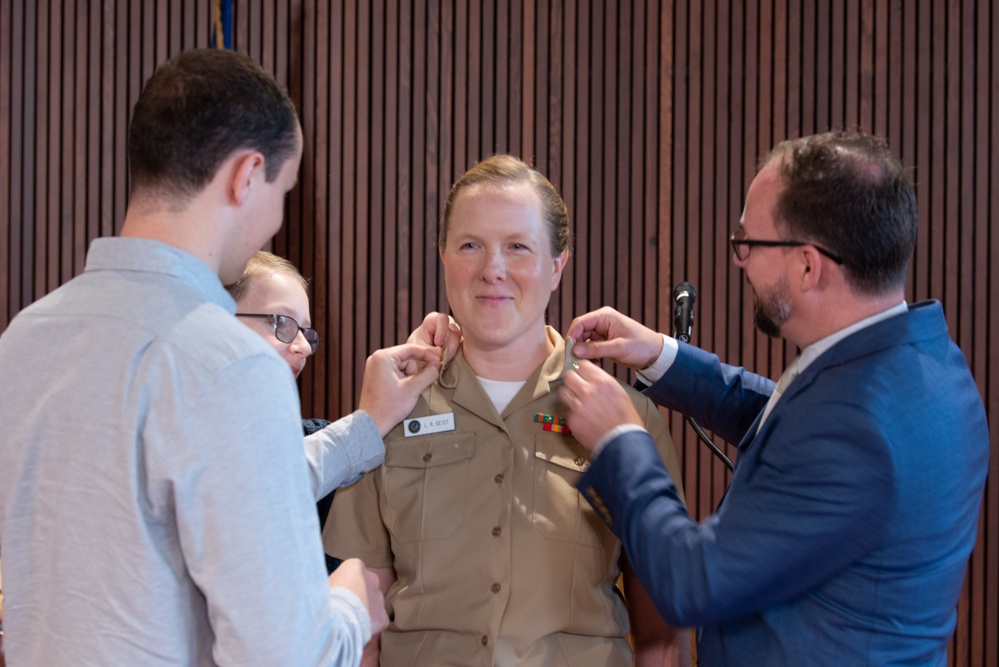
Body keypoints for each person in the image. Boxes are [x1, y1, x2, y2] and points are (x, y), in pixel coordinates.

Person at [0, 49, 436, 666]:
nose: (276, 219)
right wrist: (346, 602)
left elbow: (189, 491)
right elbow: (286, 654)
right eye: (284, 191)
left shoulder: (24, 339)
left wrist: (364, 427)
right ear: (247, 175)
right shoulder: (229, 363)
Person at [557, 130, 991, 665]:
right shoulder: (923, 361)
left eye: (748, 245)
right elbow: (790, 418)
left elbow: (692, 584)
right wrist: (661, 356)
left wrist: (622, 439)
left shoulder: (856, 427)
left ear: (809, 265)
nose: (740, 262)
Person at [328, 154, 692, 666]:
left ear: (557, 267)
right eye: (470, 245)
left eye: (517, 247)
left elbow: (662, 634)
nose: (492, 270)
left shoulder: (624, 418)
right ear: (444, 257)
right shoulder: (390, 411)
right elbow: (360, 623)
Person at [227, 251, 437, 573]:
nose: (304, 347)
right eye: (281, 323)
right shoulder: (176, 429)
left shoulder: (317, 445)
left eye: (307, 332)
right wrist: (370, 420)